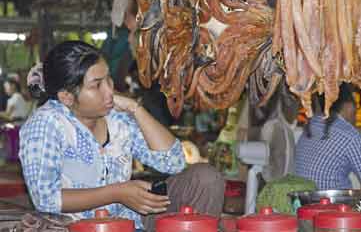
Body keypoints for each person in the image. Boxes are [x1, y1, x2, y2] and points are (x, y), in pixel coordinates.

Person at [19, 41, 224, 232]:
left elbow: (174, 162)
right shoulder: (46, 124)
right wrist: (117, 193)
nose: (109, 90)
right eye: (96, 85)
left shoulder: (116, 118)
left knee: (205, 179)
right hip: (75, 226)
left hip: (129, 220)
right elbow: (47, 199)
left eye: (108, 78)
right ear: (67, 96)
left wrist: (135, 108)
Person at [295, 84, 361, 190]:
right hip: (332, 203)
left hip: (304, 199)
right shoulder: (351, 138)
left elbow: (338, 136)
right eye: (356, 110)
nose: (356, 117)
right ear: (350, 107)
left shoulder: (315, 121)